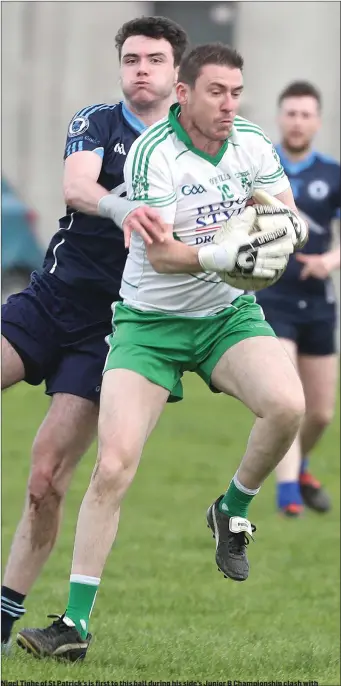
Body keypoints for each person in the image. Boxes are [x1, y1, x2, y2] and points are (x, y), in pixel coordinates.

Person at [16, 43, 309, 662]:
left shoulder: (253, 141)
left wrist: (286, 227)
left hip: (225, 316)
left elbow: (279, 210)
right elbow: (159, 252)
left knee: (288, 405)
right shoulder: (155, 154)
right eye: (216, 93)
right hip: (149, 325)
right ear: (185, 94)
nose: (230, 105)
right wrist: (220, 255)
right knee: (114, 467)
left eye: (236, 92)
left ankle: (232, 510)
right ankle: (74, 624)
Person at [1, 15, 189, 650]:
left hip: (109, 331)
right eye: (132, 58)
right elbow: (78, 186)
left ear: (176, 74)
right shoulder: (96, 121)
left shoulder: (189, 151)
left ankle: (3, 619)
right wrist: (125, 207)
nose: (142, 69)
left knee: (47, 477)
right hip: (50, 298)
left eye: (155, 60)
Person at [256, 81, 340, 516]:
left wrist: (331, 260)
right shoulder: (260, 165)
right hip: (273, 298)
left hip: (319, 302)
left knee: (322, 413)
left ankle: (300, 464)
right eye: (291, 113)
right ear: (279, 116)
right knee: (290, 395)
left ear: (317, 121)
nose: (297, 121)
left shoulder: (333, 173)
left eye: (306, 114)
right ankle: (288, 495)